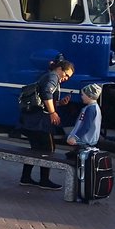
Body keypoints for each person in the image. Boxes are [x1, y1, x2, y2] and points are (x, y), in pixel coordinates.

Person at [17, 59, 74, 190]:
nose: (66, 78)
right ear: (60, 69)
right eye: (66, 75)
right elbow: (46, 93)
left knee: (35, 150)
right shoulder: (53, 77)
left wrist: (60, 103)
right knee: (49, 150)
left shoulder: (48, 76)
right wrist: (53, 112)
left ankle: (26, 177)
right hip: (40, 122)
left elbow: (43, 99)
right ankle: (44, 180)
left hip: (32, 120)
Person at [65, 83, 103, 157]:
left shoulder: (90, 109)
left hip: (85, 142)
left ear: (90, 96)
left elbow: (86, 126)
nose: (81, 97)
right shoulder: (94, 107)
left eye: (83, 95)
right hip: (86, 141)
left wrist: (75, 137)